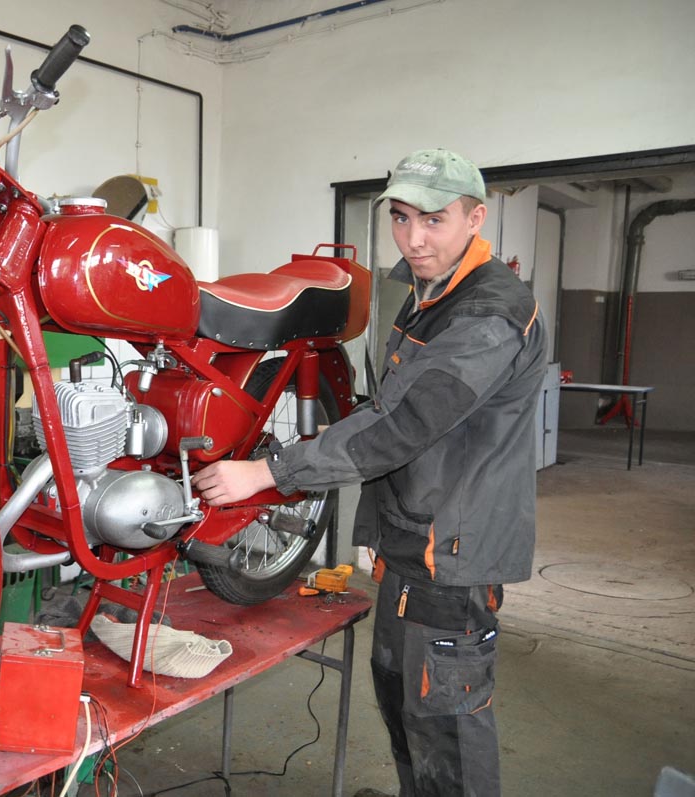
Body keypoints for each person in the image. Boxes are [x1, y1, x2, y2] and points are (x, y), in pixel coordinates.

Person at [191, 148, 547, 796]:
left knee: (447, 724)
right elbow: (390, 406)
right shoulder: (430, 291)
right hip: (412, 540)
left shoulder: (489, 312)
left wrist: (270, 472)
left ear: (475, 218)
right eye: (401, 218)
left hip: (454, 553)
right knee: (401, 697)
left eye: (433, 220)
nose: (413, 239)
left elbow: (404, 425)